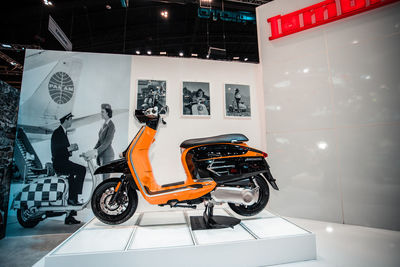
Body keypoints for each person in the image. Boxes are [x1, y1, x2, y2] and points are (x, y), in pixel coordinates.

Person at [51, 112, 86, 225]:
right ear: (66, 120)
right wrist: (69, 148)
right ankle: (73, 198)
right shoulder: (58, 133)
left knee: (73, 181)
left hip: (63, 162)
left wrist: (70, 149)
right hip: (60, 163)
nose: (71, 121)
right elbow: (56, 151)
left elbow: (62, 150)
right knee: (81, 170)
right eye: (70, 119)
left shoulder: (62, 132)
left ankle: (70, 215)